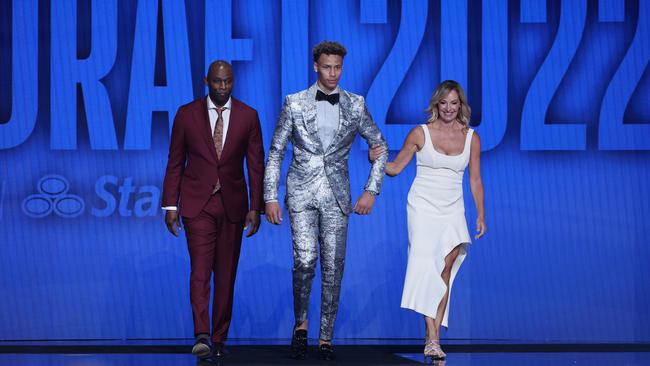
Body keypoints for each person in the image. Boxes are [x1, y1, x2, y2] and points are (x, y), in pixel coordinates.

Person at [264, 41, 388, 361]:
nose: (332, 73)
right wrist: (270, 196)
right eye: (327, 67)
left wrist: (371, 190)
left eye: (337, 68)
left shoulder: (356, 105)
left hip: (336, 196)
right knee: (304, 262)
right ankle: (301, 326)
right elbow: (276, 150)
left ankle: (326, 337)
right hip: (302, 193)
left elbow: (380, 146)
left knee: (333, 267)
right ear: (315, 66)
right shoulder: (294, 103)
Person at [369, 80, 486, 360]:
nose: (448, 108)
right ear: (436, 104)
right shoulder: (420, 133)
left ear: (461, 106)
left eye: (454, 103)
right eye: (443, 103)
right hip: (422, 206)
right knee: (425, 268)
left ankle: (434, 336)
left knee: (445, 271)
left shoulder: (471, 137)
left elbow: (475, 179)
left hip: (453, 208)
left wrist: (481, 214)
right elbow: (396, 168)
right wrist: (378, 160)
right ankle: (432, 337)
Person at [161, 61, 265, 359]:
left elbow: (255, 166)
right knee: (200, 271)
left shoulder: (248, 116)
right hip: (197, 204)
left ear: (233, 81)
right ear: (206, 80)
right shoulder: (186, 114)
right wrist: (170, 204)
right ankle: (202, 334)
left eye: (228, 82)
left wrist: (255, 207)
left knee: (226, 274)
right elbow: (175, 161)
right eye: (218, 82)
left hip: (233, 205)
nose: (223, 88)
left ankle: (219, 337)